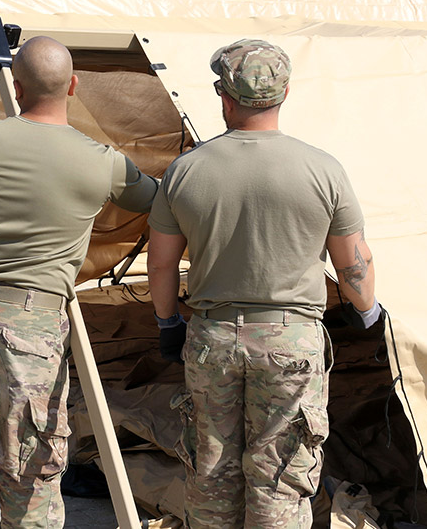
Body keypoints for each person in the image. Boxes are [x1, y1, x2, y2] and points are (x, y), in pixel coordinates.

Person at [0, 36, 158, 529]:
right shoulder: (103, 160)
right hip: (32, 322)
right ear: (73, 86)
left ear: (17, 87)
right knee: (32, 460)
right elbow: (156, 200)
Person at [147, 40, 382, 528]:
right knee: (279, 476)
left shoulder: (186, 170)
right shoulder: (323, 170)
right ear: (286, 92)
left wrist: (168, 321)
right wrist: (366, 312)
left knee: (210, 473)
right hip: (290, 340)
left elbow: (162, 264)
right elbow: (353, 263)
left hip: (212, 339)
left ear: (223, 97)